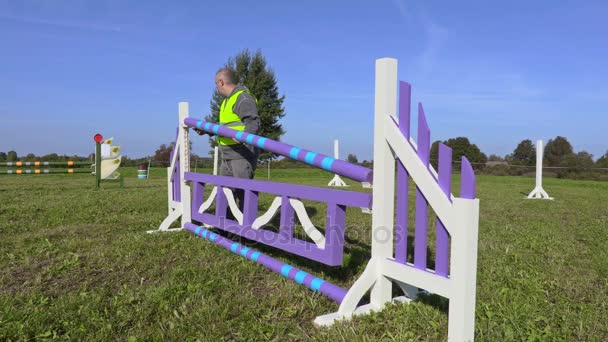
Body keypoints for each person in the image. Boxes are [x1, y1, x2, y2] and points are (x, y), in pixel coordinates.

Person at [195, 67, 260, 214]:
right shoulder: (226, 102)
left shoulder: (242, 98)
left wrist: (244, 136)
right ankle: (226, 227)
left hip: (242, 155)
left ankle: (247, 233)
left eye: (216, 84)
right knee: (225, 193)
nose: (216, 87)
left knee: (244, 194)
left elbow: (253, 122)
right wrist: (206, 130)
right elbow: (225, 127)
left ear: (221, 82)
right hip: (227, 155)